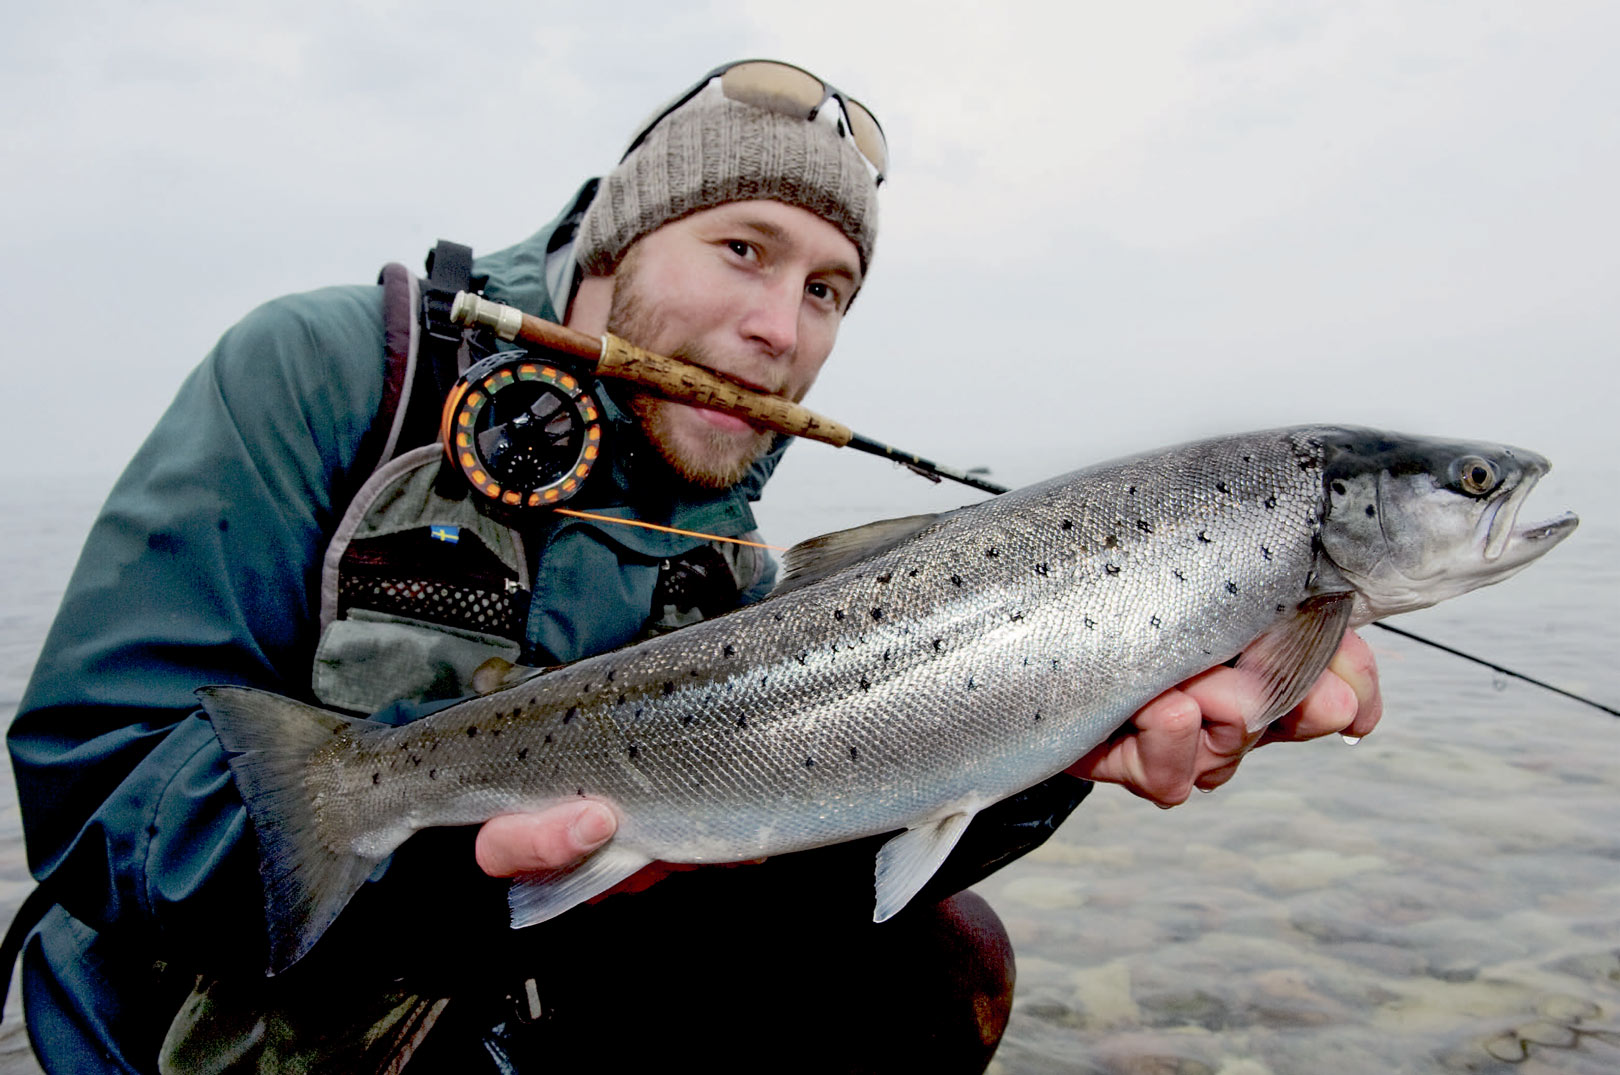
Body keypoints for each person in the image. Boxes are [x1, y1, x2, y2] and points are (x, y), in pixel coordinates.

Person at [6, 60, 1381, 1074]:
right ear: (616, 243)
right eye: (742, 250)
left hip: (514, 1008)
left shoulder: (732, 556)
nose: (782, 328)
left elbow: (799, 863)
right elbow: (93, 787)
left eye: (828, 290)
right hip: (199, 1038)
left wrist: (1059, 743)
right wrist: (437, 876)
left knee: (936, 964)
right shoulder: (332, 371)